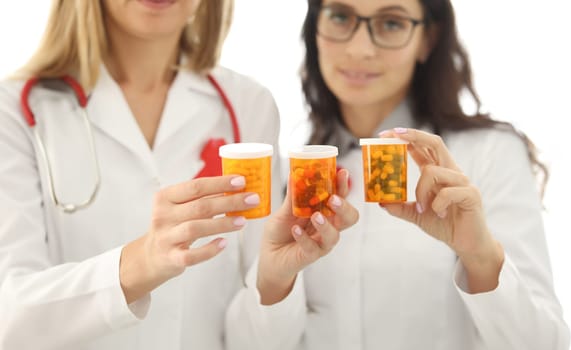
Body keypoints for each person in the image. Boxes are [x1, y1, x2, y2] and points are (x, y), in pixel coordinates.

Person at [0, 1, 358, 349]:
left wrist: (275, 279)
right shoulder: (16, 110)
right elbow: (10, 318)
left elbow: (258, 344)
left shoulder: (247, 105)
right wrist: (142, 262)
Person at [230, 0, 571, 349]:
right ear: (315, 28)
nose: (360, 49)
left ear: (427, 39)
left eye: (391, 23)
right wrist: (274, 279)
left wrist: (480, 256)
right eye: (340, 16)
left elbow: (544, 343)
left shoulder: (488, 153)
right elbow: (241, 344)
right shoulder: (291, 174)